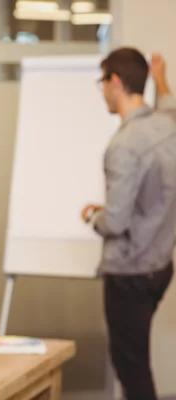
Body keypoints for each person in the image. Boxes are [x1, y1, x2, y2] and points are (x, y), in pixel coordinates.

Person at [81, 49, 176, 400]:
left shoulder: (123, 145)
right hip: (161, 265)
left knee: (131, 368)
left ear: (115, 82)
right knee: (138, 360)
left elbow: (116, 222)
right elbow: (167, 104)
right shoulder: (168, 125)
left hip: (130, 275)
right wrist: (161, 77)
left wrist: (93, 216)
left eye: (102, 82)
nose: (103, 90)